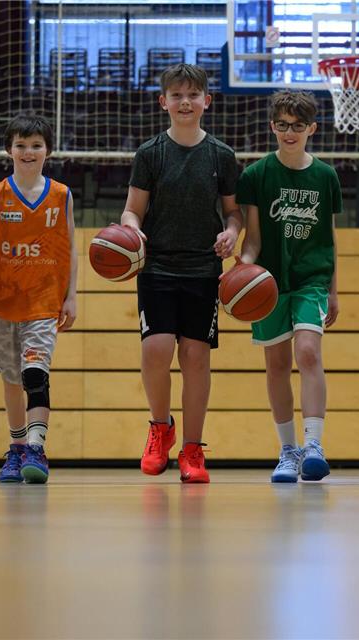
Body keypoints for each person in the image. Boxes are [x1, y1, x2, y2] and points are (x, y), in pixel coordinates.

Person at [121, 63, 242, 484]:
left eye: (193, 95)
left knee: (195, 357)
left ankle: (192, 449)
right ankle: (160, 427)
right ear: (163, 102)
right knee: (155, 350)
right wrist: (131, 232)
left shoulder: (222, 156)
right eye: (177, 95)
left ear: (207, 101)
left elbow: (233, 213)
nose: (185, 102)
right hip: (157, 266)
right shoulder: (150, 153)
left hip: (202, 269)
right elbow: (133, 210)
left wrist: (231, 233)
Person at [0, 113, 77, 484]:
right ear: (9, 150)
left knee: (34, 374)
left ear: (47, 151)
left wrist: (72, 297)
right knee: (10, 380)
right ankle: (17, 447)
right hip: (2, 304)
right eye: (21, 145)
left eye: (35, 145)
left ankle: (37, 448)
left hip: (43, 302)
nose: (28, 151)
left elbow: (70, 248)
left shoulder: (61, 195)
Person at [235, 90, 341, 483]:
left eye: (297, 125)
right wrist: (239, 274)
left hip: (311, 281)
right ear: (272, 127)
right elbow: (254, 241)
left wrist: (333, 290)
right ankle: (287, 452)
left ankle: (314, 444)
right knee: (277, 365)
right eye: (282, 125)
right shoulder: (256, 175)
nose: (289, 132)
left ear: (312, 128)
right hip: (267, 284)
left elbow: (329, 238)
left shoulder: (326, 176)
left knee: (309, 352)